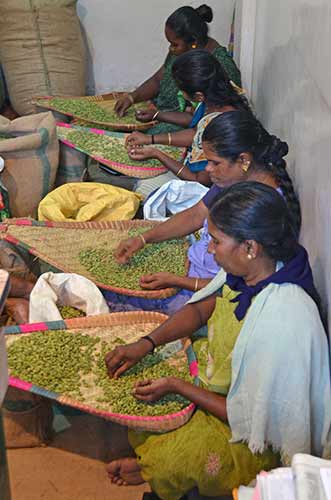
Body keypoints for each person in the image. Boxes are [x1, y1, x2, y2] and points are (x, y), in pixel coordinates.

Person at [105, 182, 331, 498]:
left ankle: (149, 470)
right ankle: (146, 466)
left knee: (174, 459)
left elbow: (251, 418)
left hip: (253, 432)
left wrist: (177, 386)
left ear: (250, 247)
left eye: (215, 241)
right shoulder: (249, 270)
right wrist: (146, 343)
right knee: (139, 403)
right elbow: (199, 310)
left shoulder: (285, 317)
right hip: (217, 382)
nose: (209, 250)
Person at [114, 111, 301, 307]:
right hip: (192, 271)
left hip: (210, 295)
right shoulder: (231, 179)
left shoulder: (264, 208)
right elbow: (195, 215)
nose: (207, 169)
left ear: (244, 160)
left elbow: (239, 286)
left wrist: (177, 281)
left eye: (214, 162)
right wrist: (143, 239)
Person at [126, 50, 250, 197]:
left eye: (181, 90)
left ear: (198, 95)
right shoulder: (215, 98)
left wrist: (156, 153)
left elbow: (198, 180)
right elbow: (195, 133)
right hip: (194, 172)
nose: (180, 93)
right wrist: (150, 139)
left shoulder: (218, 125)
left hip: (204, 189)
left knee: (144, 188)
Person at [114, 5, 241, 135]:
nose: (171, 49)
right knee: (115, 127)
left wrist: (159, 117)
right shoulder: (181, 51)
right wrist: (131, 97)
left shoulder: (220, 65)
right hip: (159, 114)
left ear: (194, 42)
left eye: (174, 44)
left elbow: (210, 120)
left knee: (138, 139)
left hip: (186, 127)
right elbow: (158, 80)